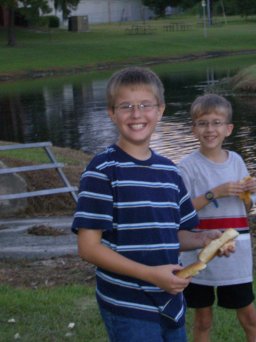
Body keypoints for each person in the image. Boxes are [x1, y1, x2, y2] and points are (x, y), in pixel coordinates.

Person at [71, 67, 231, 342]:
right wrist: (150, 275)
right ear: (111, 113)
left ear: (160, 110)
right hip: (127, 303)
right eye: (126, 106)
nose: (136, 114)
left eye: (146, 105)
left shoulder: (170, 173)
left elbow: (174, 235)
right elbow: (88, 247)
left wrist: (205, 239)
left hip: (171, 300)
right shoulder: (103, 170)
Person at [178, 93, 256, 342]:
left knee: (249, 316)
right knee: (202, 319)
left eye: (216, 123)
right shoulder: (187, 167)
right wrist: (216, 193)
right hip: (199, 252)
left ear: (228, 129)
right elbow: (181, 212)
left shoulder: (236, 161)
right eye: (203, 123)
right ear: (193, 129)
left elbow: (248, 208)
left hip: (237, 252)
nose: (210, 129)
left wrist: (248, 194)